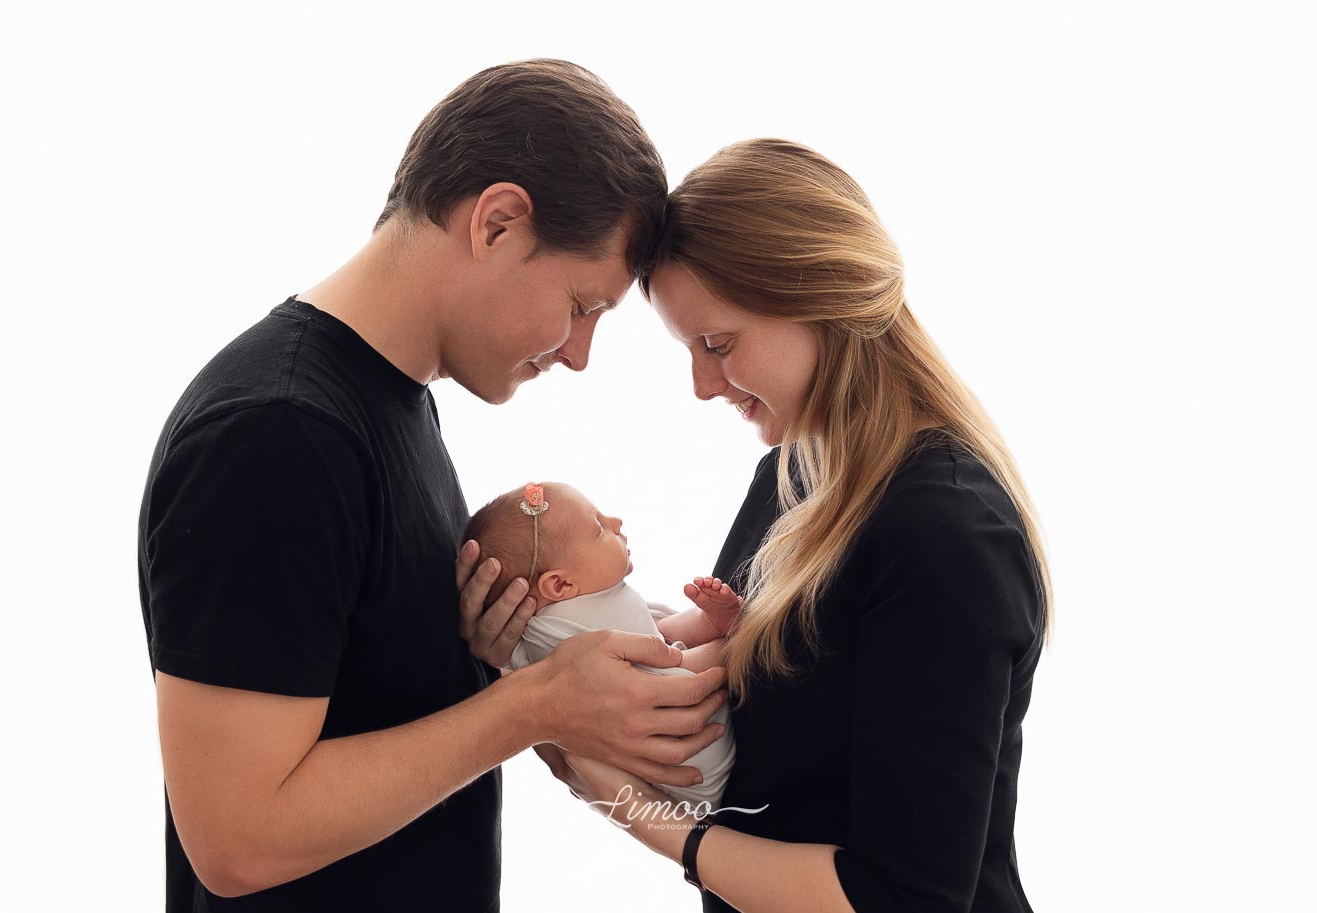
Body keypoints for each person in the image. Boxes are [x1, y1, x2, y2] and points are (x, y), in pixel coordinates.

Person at [135, 59, 729, 911]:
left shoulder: (389, 405)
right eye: (582, 303)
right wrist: (532, 706)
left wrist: (482, 667)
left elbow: (360, 717)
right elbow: (237, 839)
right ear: (498, 222)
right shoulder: (278, 433)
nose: (578, 353)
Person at [457, 139, 1052, 912]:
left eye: (718, 344)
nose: (703, 386)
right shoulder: (789, 478)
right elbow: (732, 701)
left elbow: (905, 898)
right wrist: (536, 659)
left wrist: (640, 815)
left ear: (821, 294)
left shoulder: (946, 532)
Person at [462, 481, 739, 805]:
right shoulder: (567, 631)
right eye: (598, 528)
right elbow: (663, 678)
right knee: (707, 655)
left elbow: (657, 634)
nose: (615, 522)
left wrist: (703, 623)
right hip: (695, 763)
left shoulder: (579, 606)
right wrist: (730, 645)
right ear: (560, 583)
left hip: (678, 752)